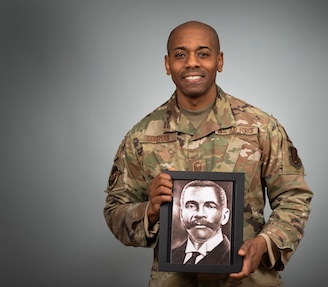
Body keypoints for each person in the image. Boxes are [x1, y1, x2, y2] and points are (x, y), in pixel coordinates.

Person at [104, 20, 313, 287]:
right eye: (181, 55)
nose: (192, 62)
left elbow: (294, 198)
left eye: (203, 53)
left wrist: (264, 243)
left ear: (219, 61)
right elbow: (115, 211)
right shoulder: (141, 136)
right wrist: (150, 211)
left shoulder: (261, 128)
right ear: (168, 64)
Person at [171, 180, 230, 265]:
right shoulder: (172, 256)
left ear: (224, 216)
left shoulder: (232, 257)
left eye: (210, 206)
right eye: (191, 206)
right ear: (181, 214)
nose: (200, 214)